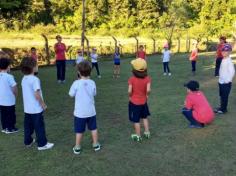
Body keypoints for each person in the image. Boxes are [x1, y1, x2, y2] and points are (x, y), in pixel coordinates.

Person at [20, 57, 54, 150]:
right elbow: (37, 94)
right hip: (36, 109)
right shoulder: (35, 79)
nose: (37, 66)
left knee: (28, 126)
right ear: (32, 67)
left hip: (27, 109)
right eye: (36, 65)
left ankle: (28, 141)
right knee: (39, 127)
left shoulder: (24, 79)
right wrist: (43, 104)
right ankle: (42, 144)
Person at [69, 61, 101, 154]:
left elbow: (71, 94)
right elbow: (94, 93)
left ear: (78, 72)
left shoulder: (76, 83)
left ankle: (77, 146)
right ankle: (95, 144)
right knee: (93, 128)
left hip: (80, 113)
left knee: (79, 130)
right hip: (91, 111)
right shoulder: (92, 82)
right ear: (90, 72)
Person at [128, 58, 151, 142]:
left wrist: (130, 96)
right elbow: (148, 90)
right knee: (145, 117)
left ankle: (138, 136)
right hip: (143, 102)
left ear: (134, 69)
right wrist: (147, 95)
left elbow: (129, 91)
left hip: (135, 103)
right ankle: (147, 132)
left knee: (136, 120)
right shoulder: (147, 78)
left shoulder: (132, 79)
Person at [214, 43, 235, 114]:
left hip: (226, 83)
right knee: (222, 96)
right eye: (223, 51)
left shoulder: (229, 61)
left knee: (224, 97)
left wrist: (228, 80)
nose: (223, 52)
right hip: (221, 81)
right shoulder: (223, 59)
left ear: (229, 52)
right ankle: (221, 107)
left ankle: (223, 109)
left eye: (226, 51)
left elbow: (232, 71)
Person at [0, 58, 18, 134]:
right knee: (11, 114)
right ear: (8, 67)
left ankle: (4, 127)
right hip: (9, 100)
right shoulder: (9, 76)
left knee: (3, 114)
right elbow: (14, 87)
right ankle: (11, 128)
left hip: (1, 100)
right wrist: (16, 95)